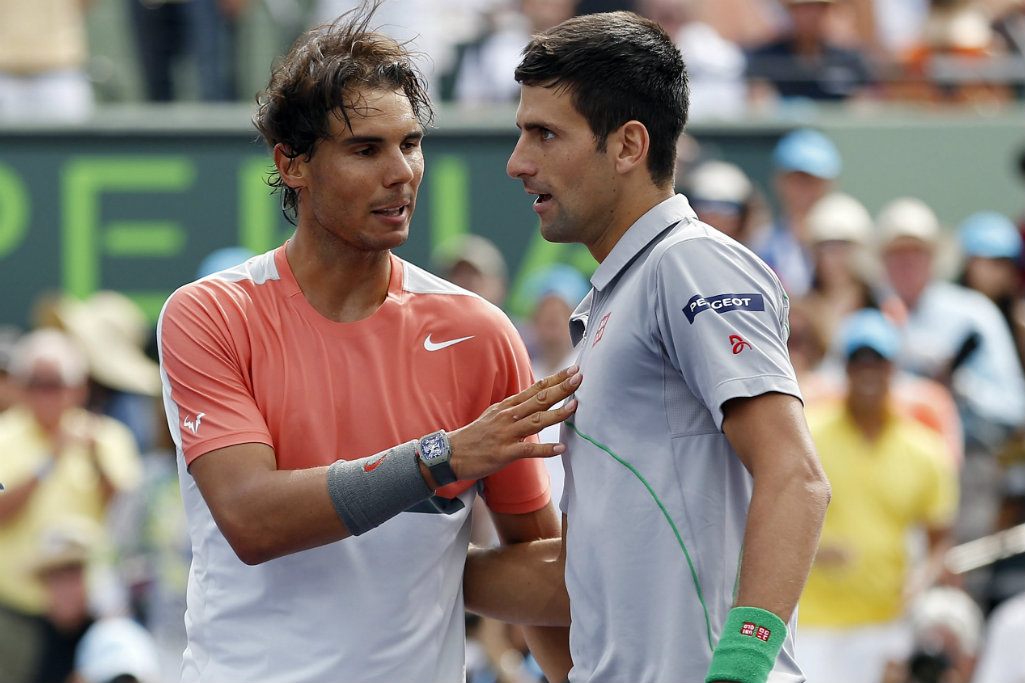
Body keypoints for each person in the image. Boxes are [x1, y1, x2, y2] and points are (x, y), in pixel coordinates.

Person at [156, 4, 579, 682]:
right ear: (291, 164)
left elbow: (541, 571)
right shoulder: (208, 315)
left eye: (409, 143)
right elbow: (251, 520)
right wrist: (440, 458)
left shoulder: (481, 333)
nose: (401, 171)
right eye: (365, 149)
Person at [467, 11, 831, 683]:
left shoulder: (688, 263)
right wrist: (405, 565)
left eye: (544, 133)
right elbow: (573, 579)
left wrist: (742, 666)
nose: (519, 162)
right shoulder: (612, 301)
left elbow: (796, 476)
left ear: (628, 145)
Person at [798, 308, 959, 683]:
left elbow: (939, 540)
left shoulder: (925, 451)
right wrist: (813, 550)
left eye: (878, 362)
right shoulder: (807, 434)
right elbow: (770, 512)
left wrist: (918, 583)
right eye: (858, 361)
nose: (868, 371)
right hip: (811, 619)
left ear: (893, 369)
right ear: (845, 369)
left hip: (885, 622)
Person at [0, 329, 141, 683]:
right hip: (18, 612)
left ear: (78, 387)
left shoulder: (107, 437)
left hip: (95, 612)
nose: (45, 393)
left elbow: (130, 517)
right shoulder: (3, 435)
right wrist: (51, 458)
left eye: (55, 383)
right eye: (35, 382)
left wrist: (95, 460)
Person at [748, 127, 843, 297]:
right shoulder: (760, 242)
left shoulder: (850, 243)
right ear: (779, 182)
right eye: (797, 180)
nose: (805, 191)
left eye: (814, 181)